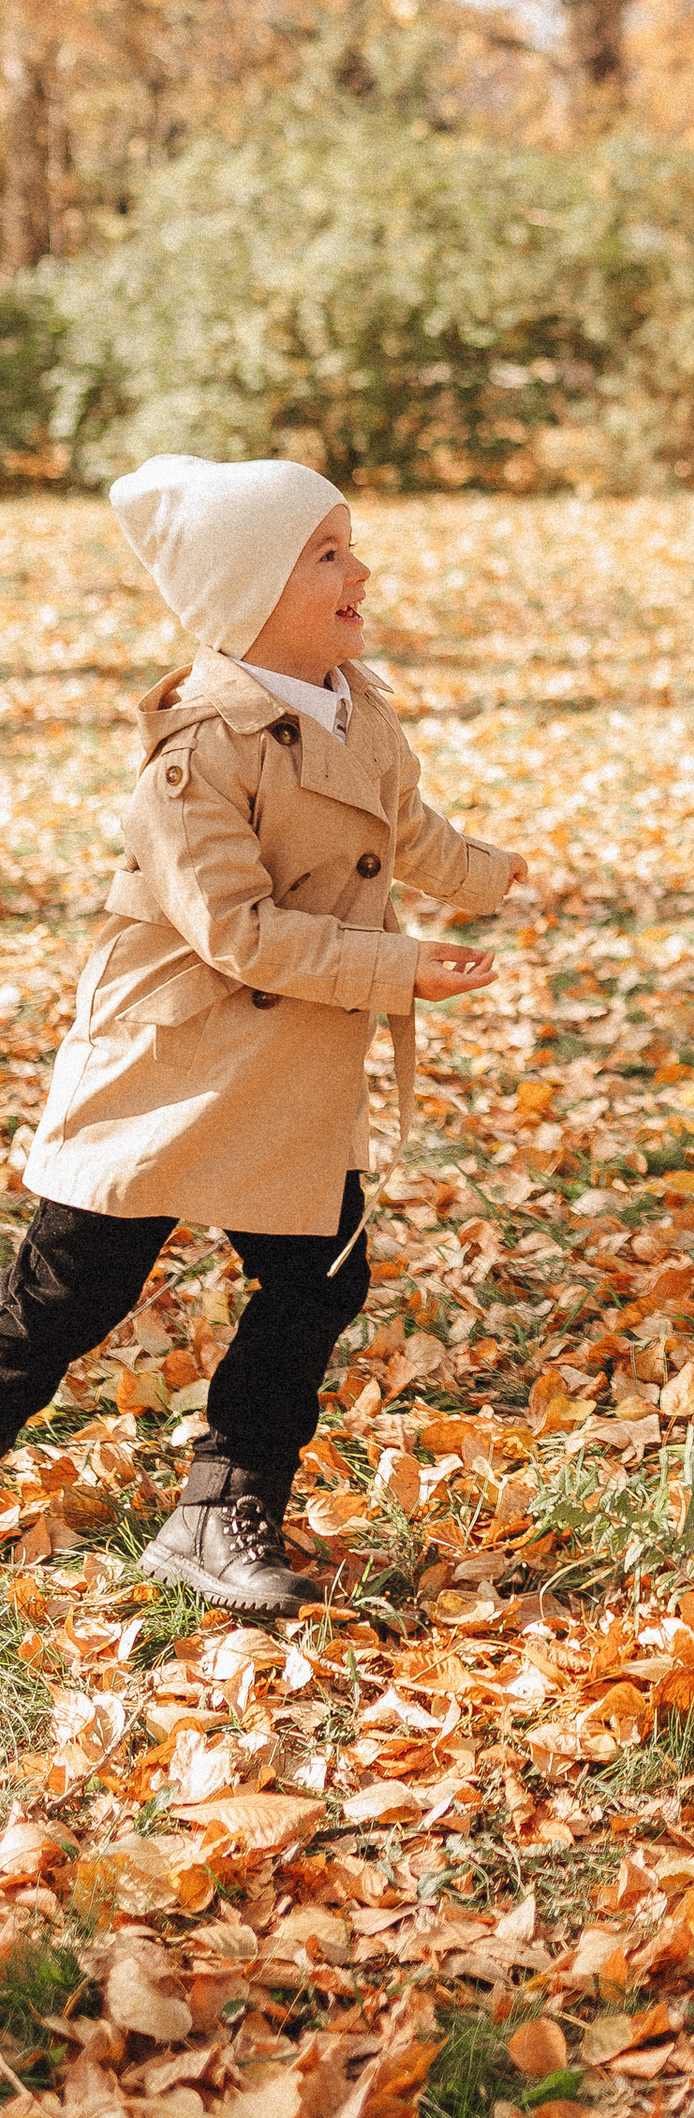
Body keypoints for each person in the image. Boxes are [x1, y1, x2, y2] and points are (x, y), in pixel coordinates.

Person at [4, 456, 525, 1617]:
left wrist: (484, 877)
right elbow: (236, 932)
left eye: (353, 542)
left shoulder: (355, 705)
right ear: (247, 594)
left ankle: (220, 1504)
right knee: (68, 1296)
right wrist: (399, 969)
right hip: (171, 1062)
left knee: (321, 1275)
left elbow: (404, 826)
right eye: (328, 554)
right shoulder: (196, 754)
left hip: (288, 1073)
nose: (361, 569)